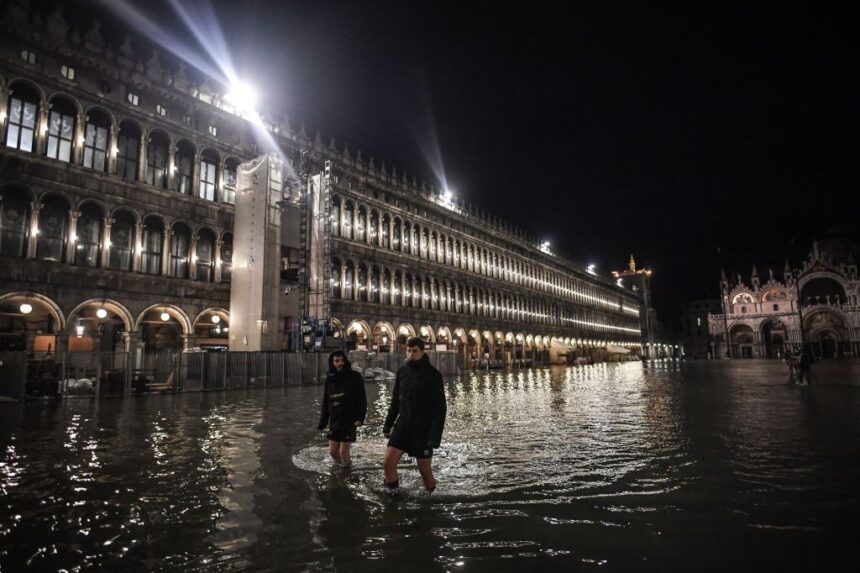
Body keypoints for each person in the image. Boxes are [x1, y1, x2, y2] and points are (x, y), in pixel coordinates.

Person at [382, 337, 447, 494]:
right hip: (403, 424)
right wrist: (388, 424)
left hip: (423, 428)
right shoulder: (403, 371)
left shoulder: (433, 375)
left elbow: (440, 409)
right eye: (408, 351)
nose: (411, 354)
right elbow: (396, 400)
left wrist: (435, 437)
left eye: (414, 351)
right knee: (388, 462)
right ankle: (393, 496)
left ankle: (430, 497)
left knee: (424, 469)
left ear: (422, 351)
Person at [317, 350, 367, 467]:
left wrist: (360, 417)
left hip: (349, 420)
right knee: (333, 452)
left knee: (343, 452)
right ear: (332, 363)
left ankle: (348, 472)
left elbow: (361, 399)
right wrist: (323, 422)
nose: (340, 363)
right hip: (334, 420)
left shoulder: (355, 377)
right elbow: (326, 401)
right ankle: (342, 469)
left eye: (342, 360)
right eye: (337, 361)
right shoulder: (330, 379)